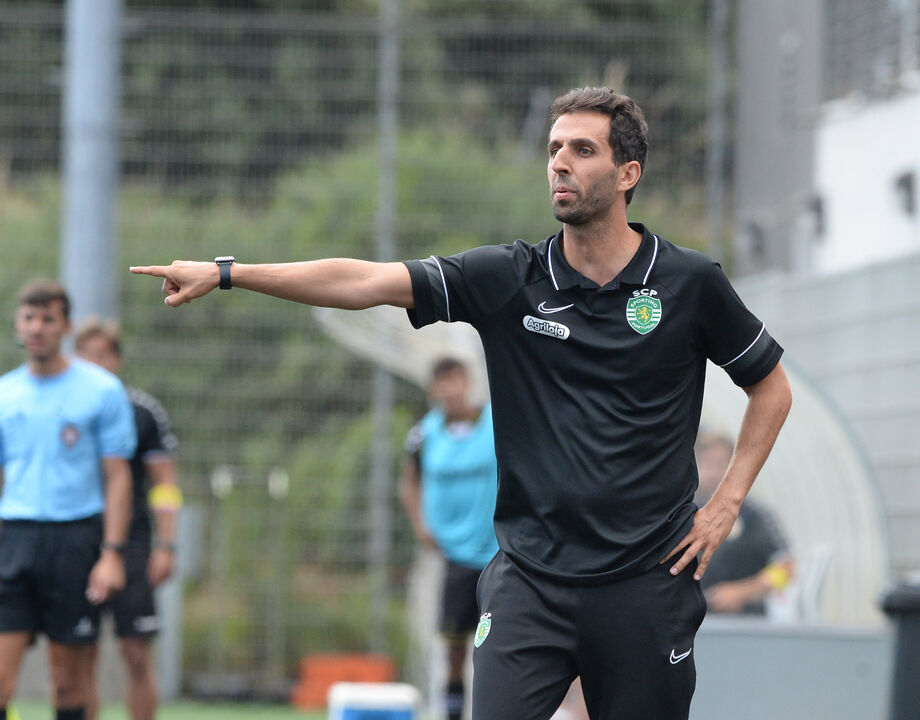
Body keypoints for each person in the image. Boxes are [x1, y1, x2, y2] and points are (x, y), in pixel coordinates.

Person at [130, 86, 792, 720]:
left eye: (582, 150)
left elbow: (770, 387)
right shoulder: (509, 278)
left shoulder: (687, 283)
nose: (559, 161)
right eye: (554, 147)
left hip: (647, 582)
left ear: (628, 173)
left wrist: (725, 503)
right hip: (531, 582)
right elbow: (365, 280)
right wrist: (228, 273)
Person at [0, 280, 135, 720]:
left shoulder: (100, 390)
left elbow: (118, 477)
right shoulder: (5, 394)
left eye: (47, 319)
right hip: (14, 538)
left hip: (75, 540)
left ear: (65, 327)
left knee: (67, 682)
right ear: (18, 324)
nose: (37, 327)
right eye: (29, 318)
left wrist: (112, 554)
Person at [74, 320, 181, 720]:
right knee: (79, 654)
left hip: (133, 545)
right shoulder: (64, 410)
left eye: (103, 355)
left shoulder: (142, 412)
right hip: (78, 541)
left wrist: (166, 544)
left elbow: (166, 484)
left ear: (117, 360)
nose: (94, 364)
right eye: (86, 355)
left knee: (136, 653)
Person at [399, 357, 498, 720]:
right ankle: (452, 712)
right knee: (453, 644)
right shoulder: (423, 433)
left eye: (456, 381)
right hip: (451, 555)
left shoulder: (495, 422)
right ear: (433, 389)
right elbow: (408, 481)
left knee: (498, 643)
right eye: (443, 383)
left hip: (499, 553)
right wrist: (420, 525)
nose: (451, 390)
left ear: (468, 382)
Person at [695, 430, 794, 615]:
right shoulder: (684, 514)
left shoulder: (756, 516)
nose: (712, 473)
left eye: (720, 464)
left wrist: (743, 592)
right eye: (705, 464)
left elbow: (787, 569)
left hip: (746, 626)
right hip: (693, 626)